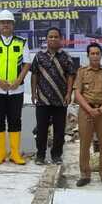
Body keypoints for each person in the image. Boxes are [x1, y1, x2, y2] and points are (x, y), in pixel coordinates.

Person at [0, 10, 30, 165]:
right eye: (2, 23)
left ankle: (15, 153)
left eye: (8, 22)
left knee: (15, 120)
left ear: (13, 25)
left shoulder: (21, 42)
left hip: (16, 89)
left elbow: (26, 64)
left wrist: (18, 80)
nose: (5, 25)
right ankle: (1, 152)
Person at [30, 27, 76, 165]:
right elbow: (34, 75)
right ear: (46, 39)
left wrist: (69, 93)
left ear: (60, 39)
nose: (53, 39)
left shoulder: (66, 57)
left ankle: (56, 155)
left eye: (56, 37)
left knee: (59, 130)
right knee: (42, 129)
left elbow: (71, 76)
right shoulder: (39, 56)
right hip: (43, 99)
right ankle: (40, 156)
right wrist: (33, 93)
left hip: (60, 100)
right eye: (50, 37)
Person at [75, 43, 102, 187]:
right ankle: (85, 174)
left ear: (101, 55)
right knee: (84, 144)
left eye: (97, 53)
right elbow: (78, 93)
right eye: (92, 53)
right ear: (88, 55)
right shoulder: (82, 72)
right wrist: (89, 109)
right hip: (86, 111)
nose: (95, 56)